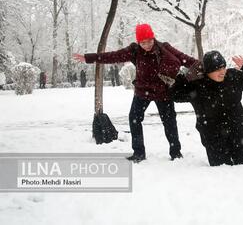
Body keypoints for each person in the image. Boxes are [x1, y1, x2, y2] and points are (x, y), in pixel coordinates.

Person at [73, 24, 197, 162]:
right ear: (138, 42)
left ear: (153, 38)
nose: (147, 45)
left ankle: (176, 152)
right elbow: (114, 56)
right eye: (143, 42)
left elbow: (185, 59)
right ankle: (138, 153)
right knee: (134, 119)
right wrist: (90, 58)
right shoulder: (134, 50)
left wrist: (207, 67)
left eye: (149, 41)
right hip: (142, 91)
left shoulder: (165, 48)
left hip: (163, 92)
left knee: (169, 122)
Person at [169, 51, 243, 166]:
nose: (222, 72)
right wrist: (186, 77)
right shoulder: (197, 85)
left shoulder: (232, 76)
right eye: (217, 69)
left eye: (223, 67)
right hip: (213, 135)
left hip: (238, 130)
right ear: (208, 72)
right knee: (220, 168)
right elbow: (175, 94)